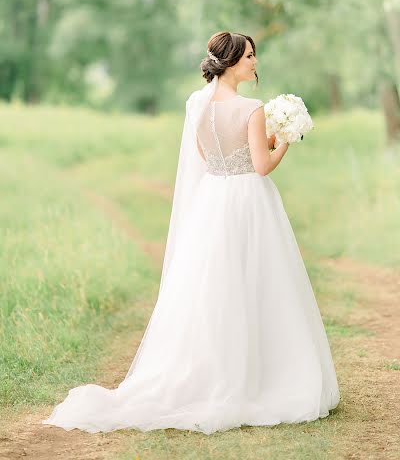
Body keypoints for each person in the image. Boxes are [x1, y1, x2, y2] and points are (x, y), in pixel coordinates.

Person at [43, 30, 340, 435]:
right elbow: (261, 166)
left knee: (214, 289)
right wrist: (286, 139)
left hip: (213, 201)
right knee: (258, 283)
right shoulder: (251, 108)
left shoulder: (197, 106)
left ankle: (209, 372)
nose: (255, 62)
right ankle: (262, 376)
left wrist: (263, 141)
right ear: (233, 61)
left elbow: (207, 156)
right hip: (249, 202)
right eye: (250, 56)